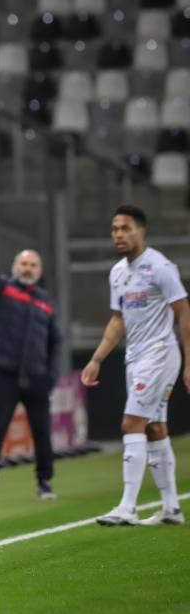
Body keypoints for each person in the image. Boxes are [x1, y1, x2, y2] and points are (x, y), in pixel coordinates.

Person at [82, 205, 189, 526]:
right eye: (115, 229)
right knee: (154, 428)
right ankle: (171, 508)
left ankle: (127, 507)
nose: (118, 234)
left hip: (160, 354)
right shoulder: (118, 272)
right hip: (136, 358)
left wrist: (189, 362)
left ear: (141, 231)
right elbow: (118, 320)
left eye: (125, 228)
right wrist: (97, 359)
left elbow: (184, 312)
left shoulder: (160, 267)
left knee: (131, 424)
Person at [0, 212, 61, 504]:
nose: (28, 268)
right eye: (23, 263)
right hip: (5, 374)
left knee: (42, 432)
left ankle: (45, 482)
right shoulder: (3, 290)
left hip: (36, 377)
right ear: (14, 267)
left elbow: (56, 342)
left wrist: (51, 375)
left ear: (39, 270)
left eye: (33, 264)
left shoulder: (45, 302)